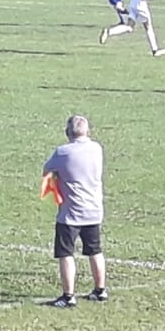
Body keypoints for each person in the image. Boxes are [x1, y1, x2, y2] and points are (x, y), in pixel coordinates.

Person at [41, 114, 107, 307]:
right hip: (94, 210)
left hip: (70, 214)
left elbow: (46, 170)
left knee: (65, 253)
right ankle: (100, 290)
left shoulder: (63, 152)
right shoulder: (96, 148)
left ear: (67, 132)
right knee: (95, 250)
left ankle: (68, 296)